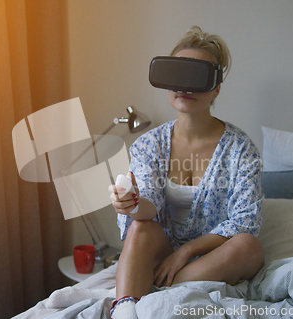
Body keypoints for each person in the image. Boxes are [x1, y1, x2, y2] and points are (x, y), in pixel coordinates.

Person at [108, 26, 264, 319]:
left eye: (196, 78)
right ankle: (126, 311)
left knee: (250, 246)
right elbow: (148, 207)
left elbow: (246, 222)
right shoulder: (148, 144)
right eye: (178, 77)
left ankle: (160, 291)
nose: (185, 87)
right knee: (140, 226)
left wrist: (187, 251)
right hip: (160, 248)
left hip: (214, 257)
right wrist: (131, 203)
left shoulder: (241, 148)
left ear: (216, 87)